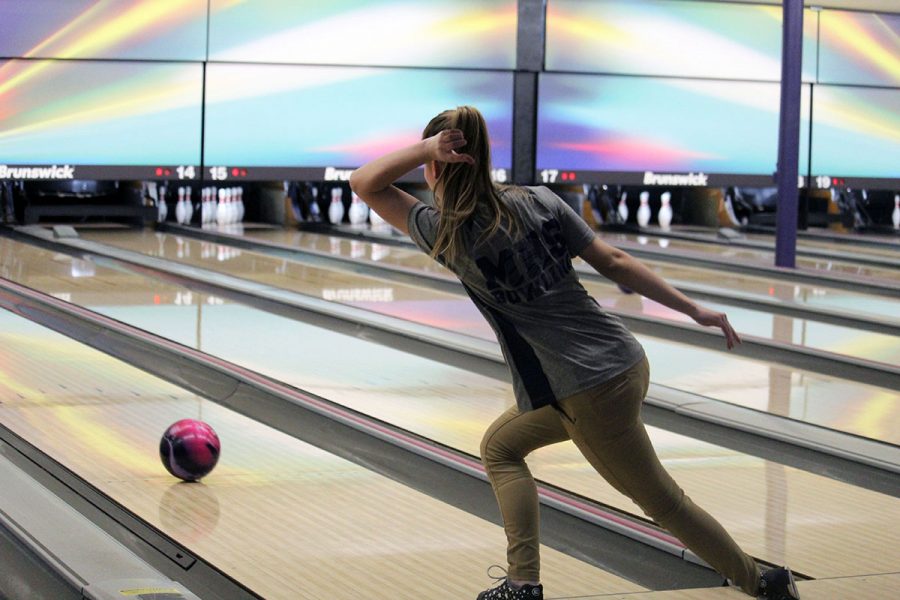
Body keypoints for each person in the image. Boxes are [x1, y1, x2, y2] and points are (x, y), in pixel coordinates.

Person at [349, 106, 800, 600]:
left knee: (662, 501)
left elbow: (364, 182)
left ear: (434, 167)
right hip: (622, 361)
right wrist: (693, 309)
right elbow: (615, 260)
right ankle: (523, 583)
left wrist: (423, 151)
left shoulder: (443, 231)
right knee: (501, 448)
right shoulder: (539, 200)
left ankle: (765, 584)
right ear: (484, 156)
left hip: (585, 389)